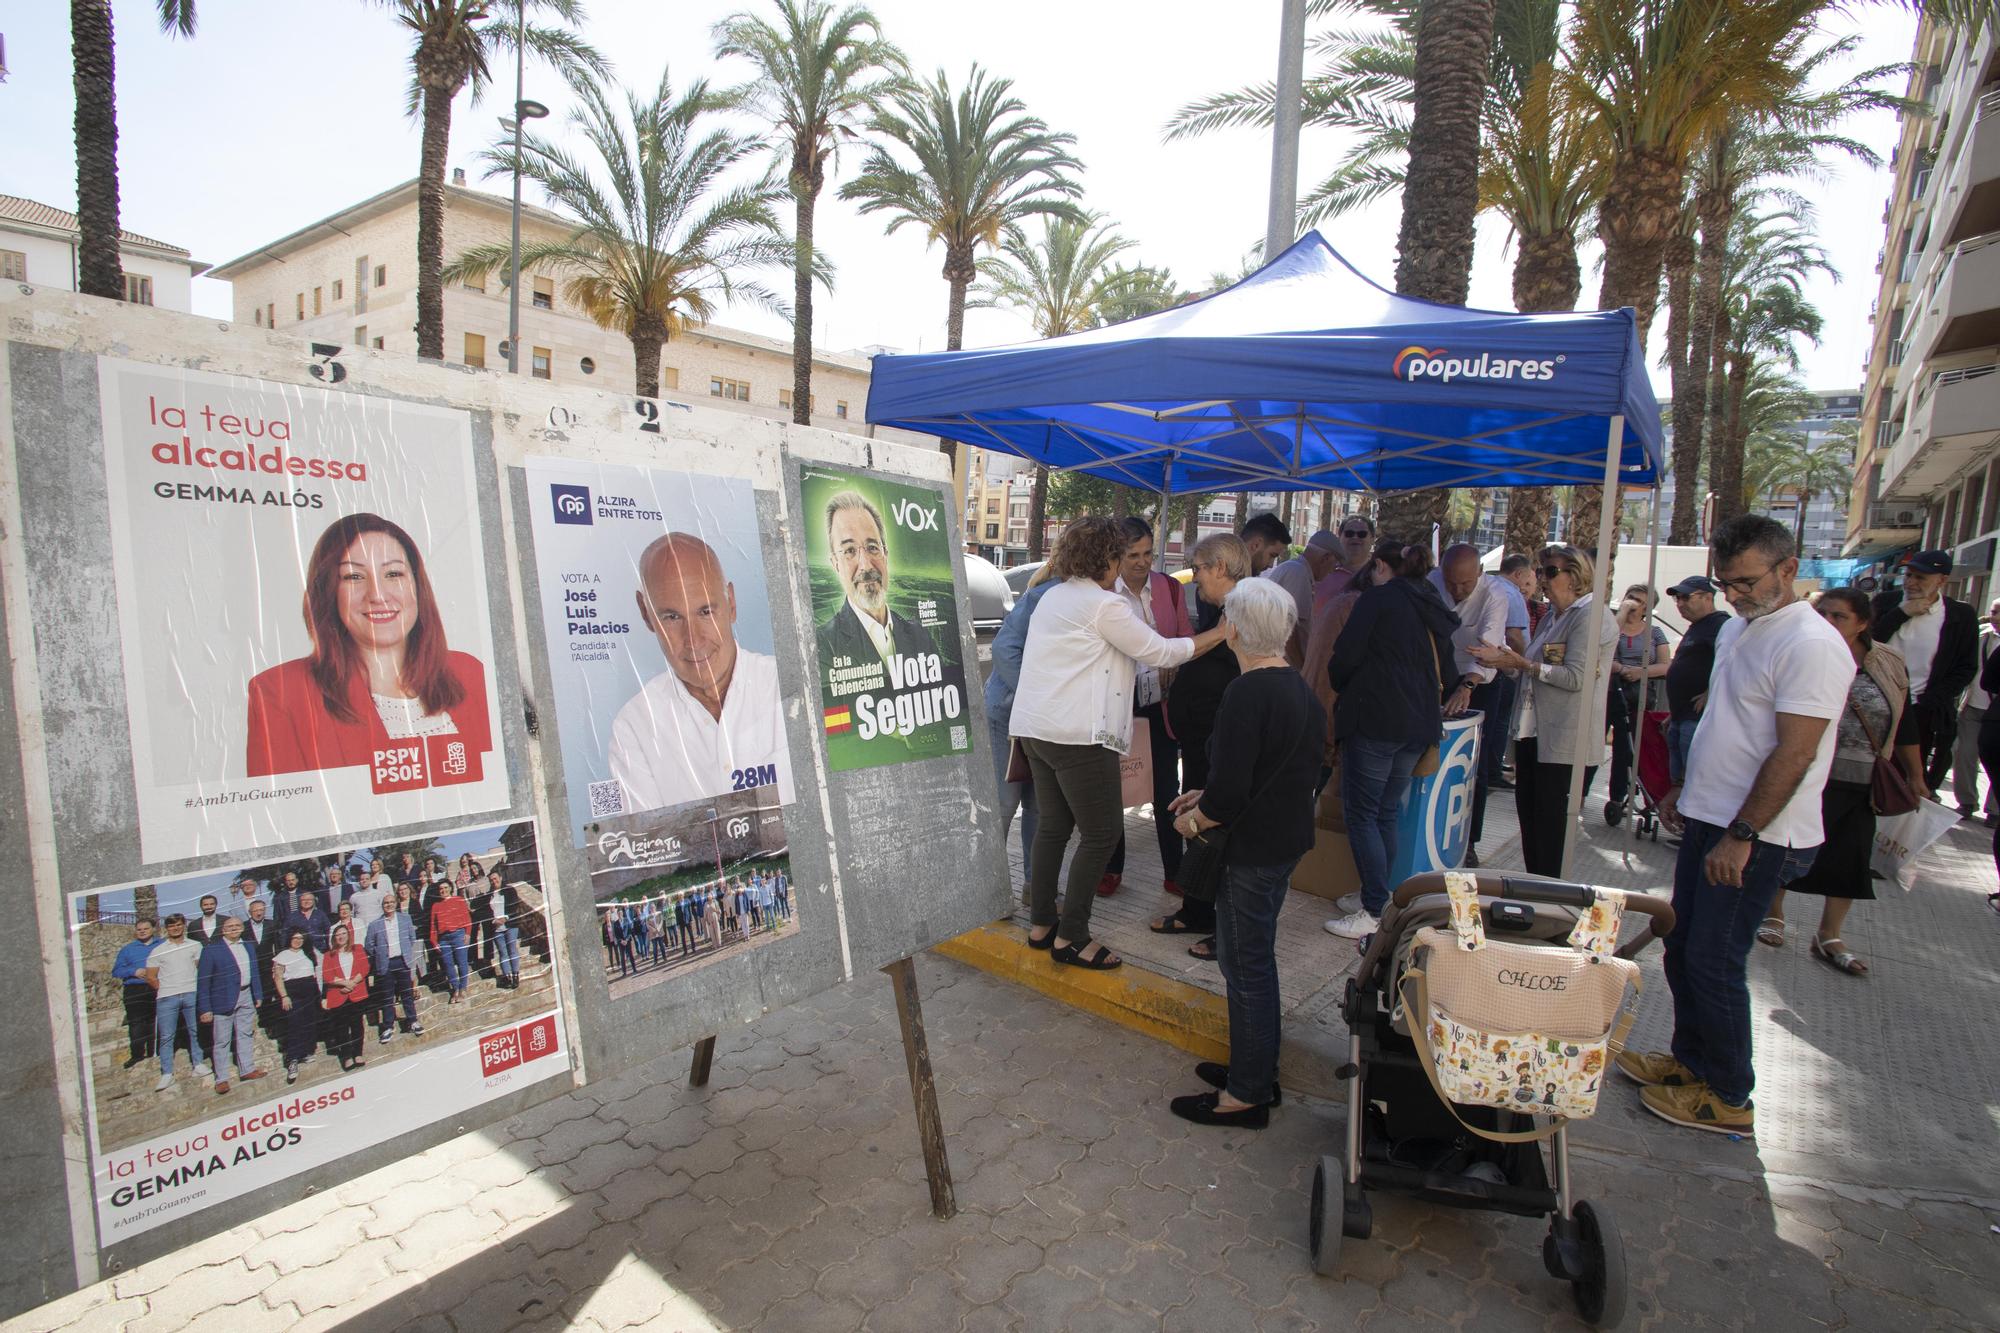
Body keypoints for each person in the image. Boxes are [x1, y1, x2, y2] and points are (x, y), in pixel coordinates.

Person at [1619, 516, 1852, 1136]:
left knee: (1714, 960)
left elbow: (1794, 754)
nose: (1735, 594)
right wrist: (1681, 787)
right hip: (1709, 818)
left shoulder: (1811, 644)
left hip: (1755, 838)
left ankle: (1728, 1094)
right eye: (1726, 584)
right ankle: (1693, 1063)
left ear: (1788, 568)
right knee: (1683, 945)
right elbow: (1724, 722)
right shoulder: (1741, 630)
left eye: (1747, 582)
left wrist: (1741, 836)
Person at [1009, 516, 1228, 969]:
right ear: (1107, 559)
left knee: (1053, 828)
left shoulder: (1055, 597)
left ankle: (1042, 924)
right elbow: (1163, 652)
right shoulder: (1103, 605)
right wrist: (1222, 633)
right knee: (1103, 833)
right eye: (1121, 556)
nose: (1129, 565)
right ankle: (1072, 937)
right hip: (1078, 736)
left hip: (1037, 730)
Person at [1165, 580, 1326, 1128]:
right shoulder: (1296, 687)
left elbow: (1232, 791)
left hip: (1253, 850)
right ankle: (1254, 1071)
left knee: (1246, 966)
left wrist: (1197, 817)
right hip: (1281, 843)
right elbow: (1268, 770)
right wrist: (1204, 796)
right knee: (1253, 962)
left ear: (1232, 628)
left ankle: (1248, 1094)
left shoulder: (1245, 691)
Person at [245, 512, 492, 778]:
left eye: (393, 573)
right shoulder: (281, 693)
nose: (377, 595)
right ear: (329, 592)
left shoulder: (470, 672)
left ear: (417, 587)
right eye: (353, 577)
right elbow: (284, 814)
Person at [1760, 587, 1924, 975]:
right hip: (1808, 771)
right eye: (1823, 614)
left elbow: (1904, 721)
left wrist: (1916, 775)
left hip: (1864, 778)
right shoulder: (1803, 650)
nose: (1828, 623)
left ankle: (1829, 934)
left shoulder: (1887, 662)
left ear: (1863, 623)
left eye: (1839, 617)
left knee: (1851, 858)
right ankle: (1773, 914)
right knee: (1785, 846)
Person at [1323, 541, 1458, 939]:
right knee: (1385, 812)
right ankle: (1377, 895)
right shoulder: (1431, 602)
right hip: (1418, 725)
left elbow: (1344, 657)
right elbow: (1447, 668)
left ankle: (1372, 909)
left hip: (1376, 720)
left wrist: (1344, 686)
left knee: (1362, 813)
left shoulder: (1378, 600)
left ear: (1381, 565)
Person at [606, 532, 795, 817]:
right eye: (672, 617)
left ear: (731, 603)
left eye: (705, 611)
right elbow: (656, 853)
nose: (693, 640)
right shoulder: (633, 730)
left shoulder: (790, 687)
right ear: (646, 614)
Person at [1468, 543, 1619, 878]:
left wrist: (1519, 662)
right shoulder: (1555, 616)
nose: (1542, 579)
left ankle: (1550, 907)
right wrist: (1504, 661)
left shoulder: (1593, 618)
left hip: (1566, 745)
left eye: (1551, 572)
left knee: (1552, 834)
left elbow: (1575, 677)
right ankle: (1536, 897)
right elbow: (1536, 666)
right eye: (1540, 571)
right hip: (1533, 736)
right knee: (1532, 826)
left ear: (1576, 576)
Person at [1152, 534, 1252, 955]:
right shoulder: (1221, 606)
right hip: (1199, 736)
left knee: (1221, 828)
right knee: (1196, 819)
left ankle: (1225, 929)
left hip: (1224, 734)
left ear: (1220, 568)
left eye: (1199, 569)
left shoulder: (1250, 609)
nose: (1195, 580)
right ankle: (1195, 909)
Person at [1102, 516, 1195, 896]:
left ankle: (1176, 871)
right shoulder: (1104, 591)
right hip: (1116, 705)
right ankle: (1111, 868)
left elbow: (1187, 636)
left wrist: (1173, 660)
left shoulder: (1169, 588)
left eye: (1147, 552)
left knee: (1164, 789)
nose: (1142, 562)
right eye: (1132, 555)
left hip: (1160, 706)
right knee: (1115, 788)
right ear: (1116, 555)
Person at [1429, 543, 1515, 866]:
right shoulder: (1433, 582)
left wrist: (1466, 686)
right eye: (1451, 582)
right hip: (1439, 673)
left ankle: (1470, 842)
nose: (1457, 590)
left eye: (1465, 583)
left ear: (1480, 572)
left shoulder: (1496, 595)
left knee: (1474, 766)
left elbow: (1489, 646)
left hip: (1480, 679)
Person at [1872, 549, 1978, 797]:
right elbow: (1866, 642)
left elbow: (1966, 667)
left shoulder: (1960, 616)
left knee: (1908, 783)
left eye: (1921, 577)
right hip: (1875, 705)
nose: (1911, 582)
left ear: (1941, 580)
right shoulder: (1886, 603)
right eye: (1908, 575)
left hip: (1921, 711)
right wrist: (1902, 613)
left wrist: (1933, 701)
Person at [815, 490, 942, 668]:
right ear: (835, 564)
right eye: (850, 550)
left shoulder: (921, 637)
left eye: (872, 547)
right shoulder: (822, 647)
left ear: (885, 555)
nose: (866, 565)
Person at [1604, 594, 1672, 824]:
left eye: (1639, 600)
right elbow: (1603, 643)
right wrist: (1621, 614)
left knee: (1627, 748)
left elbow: (1665, 665)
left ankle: (1618, 796)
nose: (1633, 602)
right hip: (1608, 692)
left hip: (1637, 696)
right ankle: (1579, 794)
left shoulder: (1654, 632)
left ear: (1648, 606)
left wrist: (1636, 672)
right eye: (1630, 596)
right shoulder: (1613, 624)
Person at [1663, 576, 1730, 790]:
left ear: (1707, 597)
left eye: (1685, 598)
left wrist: (1711, 692)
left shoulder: (1720, 624)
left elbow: (1732, 663)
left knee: (1690, 783)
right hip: (1682, 716)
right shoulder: (1698, 626)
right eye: (1678, 599)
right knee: (1677, 782)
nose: (1680, 604)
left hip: (1697, 720)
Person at [196, 916, 267, 1094]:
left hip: (246, 995)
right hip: (222, 999)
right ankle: (222, 1079)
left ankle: (247, 1070)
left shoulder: (248, 946)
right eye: (230, 926)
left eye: (237, 925)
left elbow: (255, 971)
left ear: (242, 928)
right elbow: (203, 982)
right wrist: (205, 1008)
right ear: (223, 930)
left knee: (245, 1034)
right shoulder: (211, 950)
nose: (234, 928)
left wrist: (257, 994)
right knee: (222, 1040)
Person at [145, 913, 208, 1091]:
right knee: (166, 1036)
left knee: (195, 1031)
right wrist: (166, 989)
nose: (175, 928)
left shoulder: (195, 945)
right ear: (167, 928)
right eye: (172, 926)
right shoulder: (158, 950)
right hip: (167, 997)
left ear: (183, 926)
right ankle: (167, 1074)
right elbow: (150, 976)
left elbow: (200, 969)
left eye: (179, 925)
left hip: (191, 994)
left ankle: (198, 1065)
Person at [1952, 597, 2000, 820]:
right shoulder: (1980, 636)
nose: (1996, 617)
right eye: (1993, 611)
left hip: (1996, 713)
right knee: (1963, 753)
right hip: (1971, 705)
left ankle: (1994, 810)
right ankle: (1967, 802)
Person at [1261, 527, 1338, 663]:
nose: (1332, 571)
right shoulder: (1298, 573)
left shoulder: (1298, 570)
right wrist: (1300, 669)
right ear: (1325, 558)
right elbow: (1290, 630)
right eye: (1335, 565)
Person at [365, 892, 422, 1041]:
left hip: (402, 961)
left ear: (396, 904)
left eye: (391, 902)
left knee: (406, 994)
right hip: (386, 964)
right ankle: (388, 1026)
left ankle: (412, 1021)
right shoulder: (374, 925)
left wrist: (405, 953)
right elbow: (369, 946)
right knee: (387, 997)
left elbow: (411, 938)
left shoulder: (405, 919)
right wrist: (381, 954)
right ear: (382, 906)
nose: (389, 905)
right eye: (385, 903)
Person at [271, 929, 322, 1083]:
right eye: (295, 938)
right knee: (295, 1025)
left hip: (310, 991)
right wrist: (284, 996)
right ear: (289, 939)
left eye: (301, 938)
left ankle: (306, 1052)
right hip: (293, 993)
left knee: (309, 1023)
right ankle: (292, 1060)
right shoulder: (282, 956)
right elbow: (278, 978)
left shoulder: (308, 953)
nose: (298, 941)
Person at [320, 922, 371, 1072]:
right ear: (334, 938)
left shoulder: (358, 949)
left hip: (357, 992)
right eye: (338, 935)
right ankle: (347, 1056)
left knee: (357, 1025)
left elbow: (365, 968)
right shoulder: (328, 955)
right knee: (341, 1027)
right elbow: (327, 976)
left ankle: (358, 1054)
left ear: (348, 935)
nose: (341, 937)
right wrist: (345, 984)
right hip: (338, 994)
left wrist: (353, 983)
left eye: (343, 934)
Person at [111, 919, 159, 1070]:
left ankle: (153, 1053)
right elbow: (116, 971)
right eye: (139, 929)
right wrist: (134, 971)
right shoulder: (127, 949)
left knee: (154, 1021)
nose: (142, 931)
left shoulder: (162, 945)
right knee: (136, 1024)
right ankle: (137, 1055)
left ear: (153, 929)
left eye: (146, 928)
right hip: (134, 990)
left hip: (156, 987)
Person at [1318, 515, 1376, 609]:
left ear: (1372, 539)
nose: (1355, 537)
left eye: (1362, 534)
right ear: (1339, 537)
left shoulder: (1379, 576)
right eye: (1349, 533)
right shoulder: (1320, 573)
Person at [429, 882, 473, 1002]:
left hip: (458, 935)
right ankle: (455, 989)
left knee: (461, 962)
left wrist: (468, 933)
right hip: (443, 939)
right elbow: (433, 926)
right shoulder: (436, 906)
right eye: (441, 889)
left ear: (451, 888)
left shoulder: (458, 900)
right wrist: (434, 941)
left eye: (446, 888)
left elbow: (467, 918)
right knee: (448, 965)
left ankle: (463, 988)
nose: (443, 890)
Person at [286, 889, 333, 958]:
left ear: (314, 901)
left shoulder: (321, 914)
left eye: (309, 899)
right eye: (303, 900)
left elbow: (328, 932)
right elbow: (286, 934)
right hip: (299, 952)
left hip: (320, 950)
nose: (306, 902)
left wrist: (329, 949)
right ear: (300, 902)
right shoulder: (292, 916)